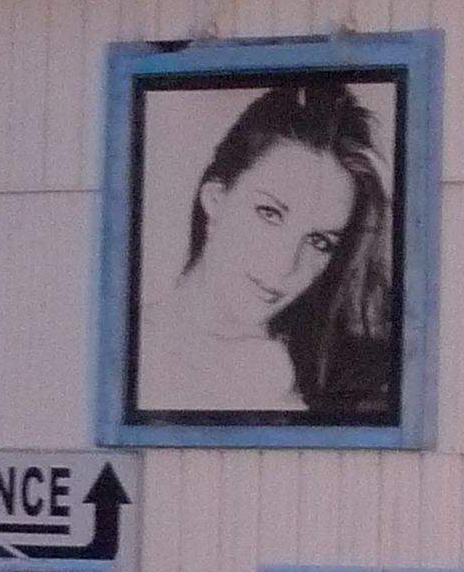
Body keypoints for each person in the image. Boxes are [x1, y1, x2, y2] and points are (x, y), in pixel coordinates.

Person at [142, 80, 397, 418]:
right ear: (216, 201)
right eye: (270, 214)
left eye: (320, 241)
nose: (285, 265)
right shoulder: (133, 350)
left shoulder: (340, 377)